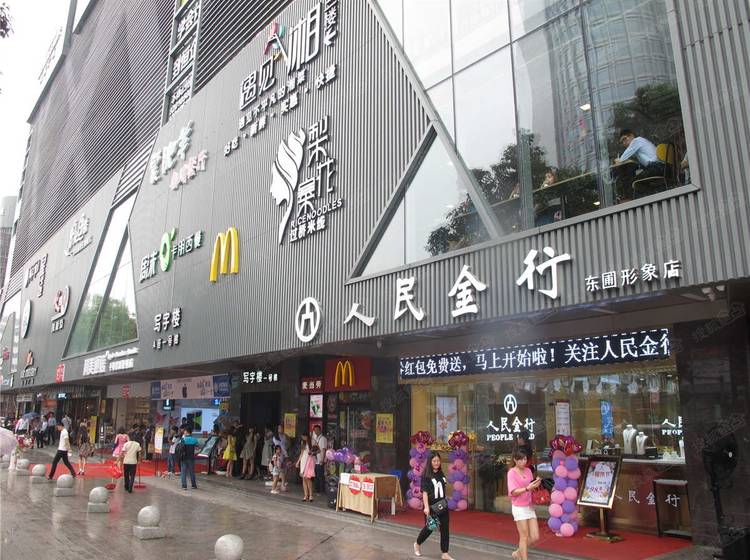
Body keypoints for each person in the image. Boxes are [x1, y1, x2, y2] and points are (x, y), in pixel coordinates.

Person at [413, 452, 453, 560]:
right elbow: (425, 492)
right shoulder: (426, 476)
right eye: (434, 461)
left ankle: (445, 553)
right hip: (432, 506)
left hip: (442, 505)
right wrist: (426, 507)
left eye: (438, 461)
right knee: (430, 528)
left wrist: (446, 498)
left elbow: (442, 489)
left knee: (445, 528)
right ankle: (417, 543)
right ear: (430, 462)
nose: (436, 463)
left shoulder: (441, 473)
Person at [507, 449, 542, 560]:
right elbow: (513, 492)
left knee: (535, 536)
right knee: (524, 536)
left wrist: (536, 483)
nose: (524, 461)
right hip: (519, 507)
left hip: (529, 505)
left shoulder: (528, 471)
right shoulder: (511, 473)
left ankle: (518, 552)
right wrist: (527, 488)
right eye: (521, 459)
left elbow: (531, 486)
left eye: (525, 459)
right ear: (515, 460)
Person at [295, 434, 316, 502]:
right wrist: (298, 461)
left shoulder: (312, 441)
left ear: (307, 436)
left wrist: (313, 453)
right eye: (302, 437)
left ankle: (311, 495)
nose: (303, 438)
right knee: (304, 478)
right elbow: (301, 453)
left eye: (304, 436)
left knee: (308, 478)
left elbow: (318, 450)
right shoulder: (303, 442)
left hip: (310, 461)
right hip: (303, 460)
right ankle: (305, 495)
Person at [311, 425, 328, 494]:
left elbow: (323, 449)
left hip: (320, 460)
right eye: (315, 430)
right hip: (316, 460)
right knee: (317, 476)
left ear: (320, 430)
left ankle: (322, 490)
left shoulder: (323, 438)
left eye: (317, 430)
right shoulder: (317, 438)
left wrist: (322, 460)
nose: (316, 431)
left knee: (320, 476)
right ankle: (317, 489)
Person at [273, 425, 289, 491]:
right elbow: (279, 447)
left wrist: (286, 455)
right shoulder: (275, 437)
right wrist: (285, 454)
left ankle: (281, 484)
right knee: (279, 470)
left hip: (283, 454)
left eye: (282, 428)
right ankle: (279, 485)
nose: (281, 429)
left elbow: (285, 446)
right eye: (279, 428)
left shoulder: (284, 436)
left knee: (283, 471)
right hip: (279, 455)